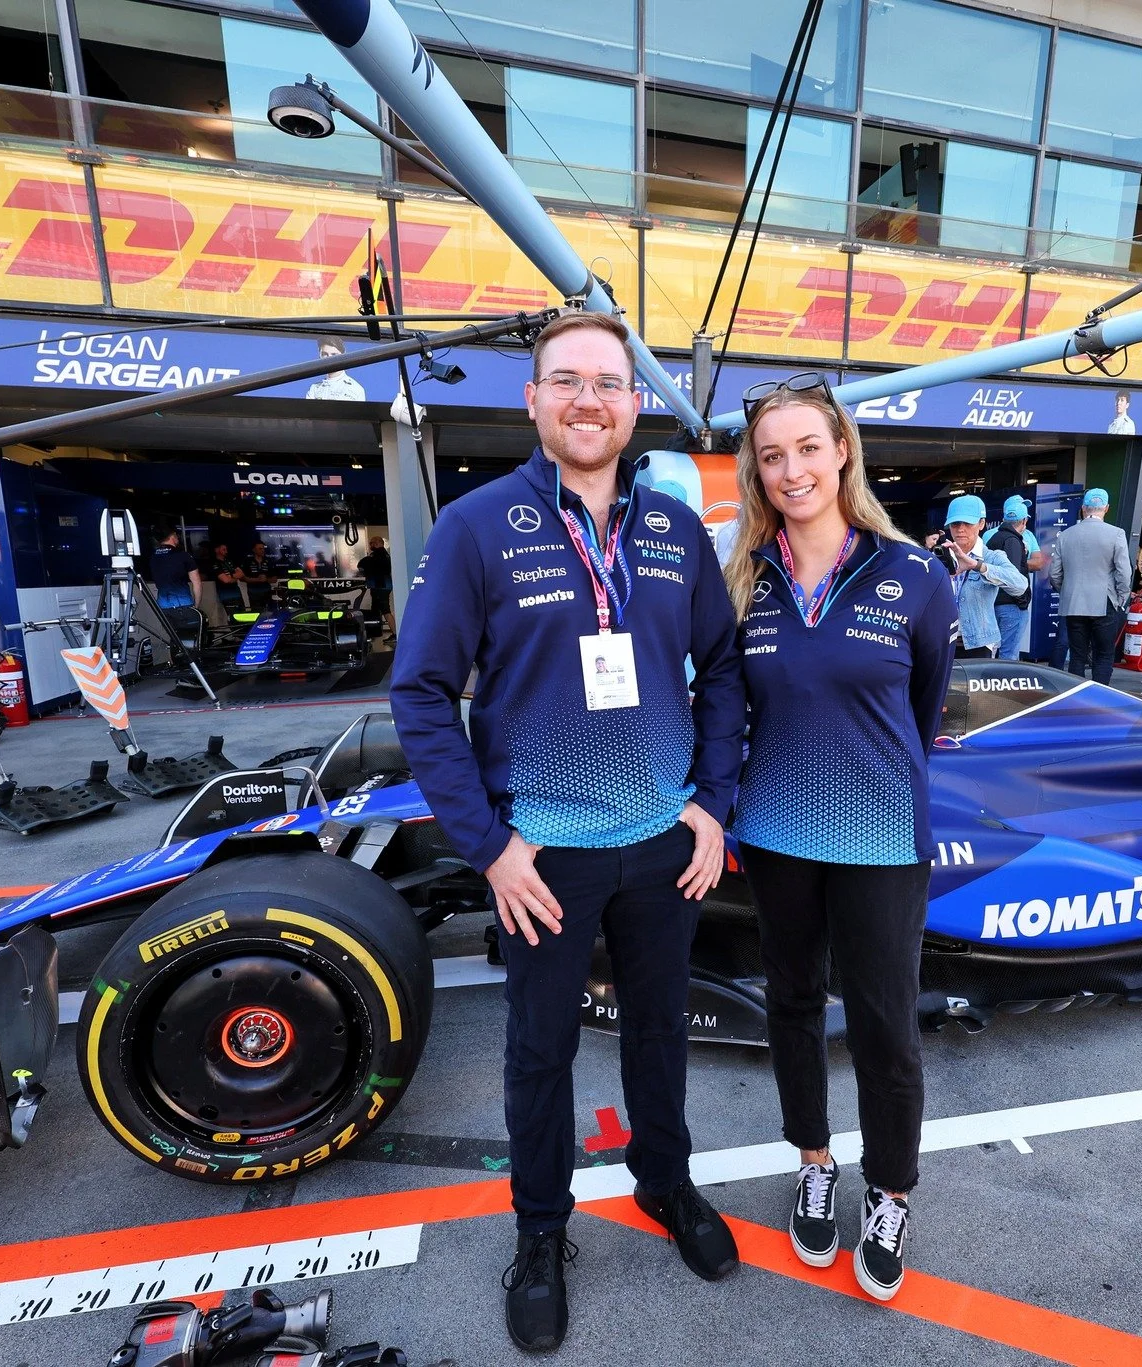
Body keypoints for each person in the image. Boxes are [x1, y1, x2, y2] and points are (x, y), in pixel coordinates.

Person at [390, 312, 745, 1354]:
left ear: (634, 402)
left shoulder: (675, 529)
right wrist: (490, 846)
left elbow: (721, 671)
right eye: (566, 381)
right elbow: (418, 693)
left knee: (659, 1032)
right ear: (532, 400)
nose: (589, 398)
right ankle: (540, 1229)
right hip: (540, 856)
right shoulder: (475, 524)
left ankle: (664, 1184)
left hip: (663, 843)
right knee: (539, 1051)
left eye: (609, 381)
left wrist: (713, 804)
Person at [722, 373, 955, 1302]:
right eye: (772, 455)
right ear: (757, 470)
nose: (791, 469)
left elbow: (923, 703)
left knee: (887, 1026)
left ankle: (889, 1188)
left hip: (882, 837)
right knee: (791, 1002)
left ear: (843, 451)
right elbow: (730, 709)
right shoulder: (744, 577)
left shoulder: (914, 574)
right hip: (776, 832)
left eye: (807, 448)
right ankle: (814, 1159)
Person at [926, 496, 1026, 658]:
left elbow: (1020, 585)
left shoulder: (992, 557)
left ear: (981, 524)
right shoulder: (939, 557)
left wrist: (977, 566)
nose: (960, 529)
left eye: (968, 523)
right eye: (955, 524)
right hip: (940, 641)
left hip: (978, 643)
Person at [1048, 488, 1130, 684]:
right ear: (1106, 508)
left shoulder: (1066, 535)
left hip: (1074, 603)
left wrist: (1066, 591)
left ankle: (1077, 698)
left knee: (1077, 655)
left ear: (1083, 508)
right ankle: (1100, 700)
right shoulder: (1116, 534)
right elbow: (1124, 572)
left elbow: (1054, 574)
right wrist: (1121, 597)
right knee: (1103, 654)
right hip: (1104, 601)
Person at [985, 494, 1043, 662]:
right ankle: (1005, 687)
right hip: (1012, 603)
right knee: (1009, 655)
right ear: (1024, 520)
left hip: (991, 601)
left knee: (991, 652)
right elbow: (1022, 570)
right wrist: (1020, 563)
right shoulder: (1014, 538)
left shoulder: (991, 536)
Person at [145, 528, 201, 628]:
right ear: (173, 536)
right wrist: (196, 605)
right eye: (177, 536)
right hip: (183, 604)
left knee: (174, 637)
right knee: (190, 637)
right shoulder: (183, 555)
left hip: (163, 606)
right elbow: (196, 582)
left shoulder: (153, 557)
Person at [358, 536, 394, 641]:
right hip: (382, 586)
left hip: (380, 586)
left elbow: (362, 564)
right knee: (376, 611)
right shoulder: (385, 555)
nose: (370, 546)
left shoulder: (377, 555)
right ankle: (374, 633)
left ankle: (395, 633)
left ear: (377, 543)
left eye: (371, 543)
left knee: (385, 611)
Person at [192, 540, 232, 632]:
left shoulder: (222, 561)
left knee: (220, 616)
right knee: (210, 616)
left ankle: (226, 636)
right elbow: (225, 579)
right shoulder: (203, 562)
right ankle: (216, 637)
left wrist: (231, 578)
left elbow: (229, 578)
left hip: (216, 592)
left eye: (203, 548)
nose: (201, 550)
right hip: (209, 592)